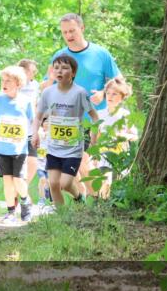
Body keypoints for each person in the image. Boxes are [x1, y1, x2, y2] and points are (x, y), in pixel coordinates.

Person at [44, 13, 124, 193]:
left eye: (72, 30)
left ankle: (97, 202)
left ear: (82, 28)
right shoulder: (59, 55)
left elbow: (120, 81)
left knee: (87, 162)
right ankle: (87, 203)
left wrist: (104, 93)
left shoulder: (100, 53)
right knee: (77, 168)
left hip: (93, 118)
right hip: (66, 120)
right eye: (64, 32)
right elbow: (48, 86)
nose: (68, 35)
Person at [31, 55, 100, 206]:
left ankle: (78, 197)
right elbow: (38, 116)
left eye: (64, 68)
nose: (59, 71)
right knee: (54, 184)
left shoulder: (80, 93)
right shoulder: (48, 92)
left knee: (65, 183)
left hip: (73, 148)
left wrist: (94, 141)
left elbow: (95, 117)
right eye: (56, 68)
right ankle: (61, 218)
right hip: (53, 147)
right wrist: (35, 133)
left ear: (73, 72)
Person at [0, 66, 36, 224]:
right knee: (7, 181)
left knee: (18, 180)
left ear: (18, 83)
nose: (4, 83)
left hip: (19, 149)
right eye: (3, 80)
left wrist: (39, 134)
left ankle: (25, 203)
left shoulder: (25, 102)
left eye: (8, 81)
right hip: (2, 149)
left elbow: (34, 120)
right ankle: (10, 212)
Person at [95, 78, 138, 199]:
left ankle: (109, 206)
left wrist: (122, 136)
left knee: (115, 184)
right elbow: (97, 136)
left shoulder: (125, 115)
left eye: (114, 94)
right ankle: (101, 207)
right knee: (105, 180)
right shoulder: (100, 114)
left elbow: (135, 136)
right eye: (108, 93)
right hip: (103, 154)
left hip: (120, 155)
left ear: (122, 96)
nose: (110, 96)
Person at [16, 58, 40, 191]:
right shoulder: (13, 84)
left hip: (31, 130)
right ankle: (15, 196)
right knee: (17, 167)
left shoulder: (35, 84)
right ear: (23, 71)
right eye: (32, 70)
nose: (34, 73)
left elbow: (36, 104)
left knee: (33, 163)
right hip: (16, 131)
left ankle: (22, 191)